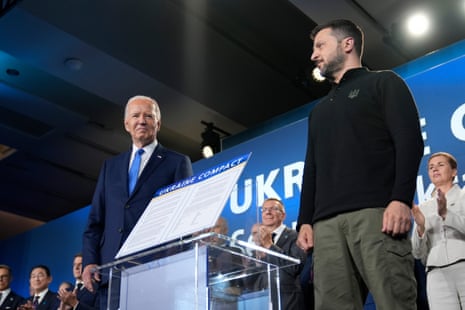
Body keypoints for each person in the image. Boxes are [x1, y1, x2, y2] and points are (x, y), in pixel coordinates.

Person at [296, 19, 424, 310]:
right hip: (326, 227)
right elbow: (312, 169)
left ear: (347, 44)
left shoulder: (384, 82)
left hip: (377, 216)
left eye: (320, 46)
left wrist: (401, 199)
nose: (313, 55)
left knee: (395, 302)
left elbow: (409, 142)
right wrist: (305, 220)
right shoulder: (318, 112)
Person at [81, 95, 193, 309]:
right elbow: (95, 222)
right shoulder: (110, 167)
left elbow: (183, 221)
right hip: (110, 275)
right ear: (126, 124)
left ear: (157, 124)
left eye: (148, 116)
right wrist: (89, 262)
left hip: (155, 272)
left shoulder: (177, 162)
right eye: (135, 115)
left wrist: (174, 265)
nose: (141, 120)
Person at [411, 152, 465, 310]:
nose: (435, 169)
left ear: (454, 171)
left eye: (441, 165)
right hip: (436, 274)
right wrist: (420, 228)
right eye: (431, 167)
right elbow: (418, 253)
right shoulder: (423, 208)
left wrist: (446, 213)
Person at [253, 198, 307, 310]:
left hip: (289, 301)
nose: (267, 212)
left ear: (283, 216)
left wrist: (270, 246)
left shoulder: (294, 236)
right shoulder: (259, 241)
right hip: (264, 301)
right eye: (264, 210)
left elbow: (295, 267)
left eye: (273, 209)